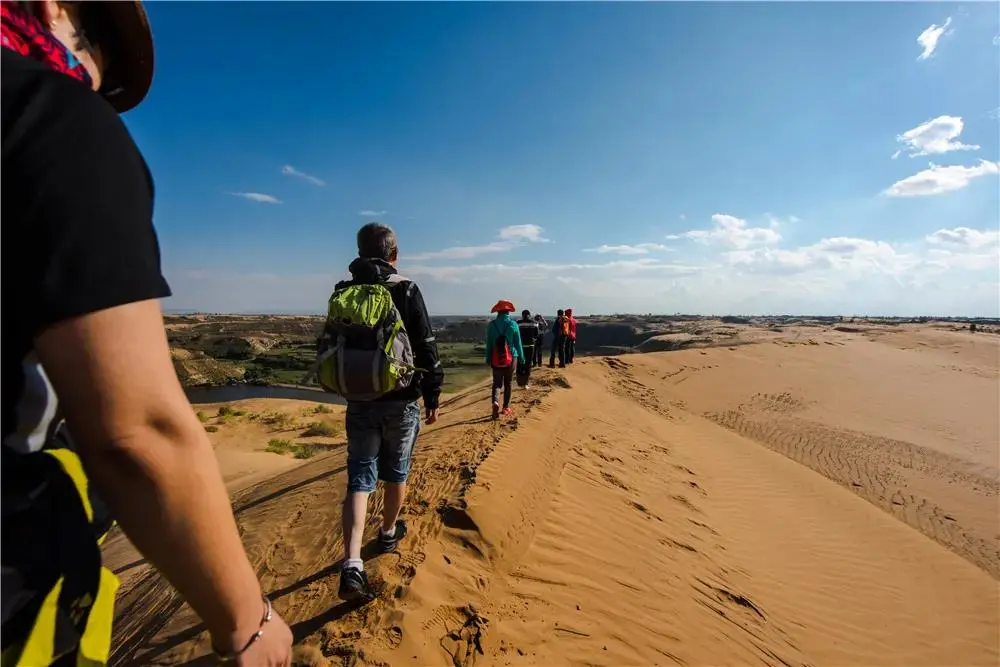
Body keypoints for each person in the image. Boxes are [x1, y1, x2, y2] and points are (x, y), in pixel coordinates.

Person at [1, 2, 294, 665]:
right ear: (55, 9)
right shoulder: (54, 118)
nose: (98, 85)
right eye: (101, 50)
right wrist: (246, 620)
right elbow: (136, 431)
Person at [332, 223, 444, 602]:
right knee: (396, 472)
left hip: (359, 399)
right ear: (393, 254)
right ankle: (387, 533)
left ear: (360, 252)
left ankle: (351, 564)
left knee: (359, 478)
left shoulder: (343, 291)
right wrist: (433, 395)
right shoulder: (406, 288)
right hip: (400, 399)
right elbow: (426, 345)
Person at [485, 300, 525, 419]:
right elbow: (518, 343)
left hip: (496, 359)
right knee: (508, 383)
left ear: (498, 311)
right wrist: (522, 357)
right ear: (508, 311)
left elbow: (489, 344)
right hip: (511, 358)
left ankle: (495, 402)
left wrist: (488, 358)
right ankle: (506, 407)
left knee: (497, 383)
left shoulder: (492, 325)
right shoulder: (513, 324)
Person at [515, 310, 540, 388]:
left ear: (522, 315)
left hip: (520, 346)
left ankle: (519, 382)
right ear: (529, 315)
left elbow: (515, 333)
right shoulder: (535, 323)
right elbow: (536, 335)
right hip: (530, 346)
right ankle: (525, 383)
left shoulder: (518, 323)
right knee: (528, 364)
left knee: (519, 364)